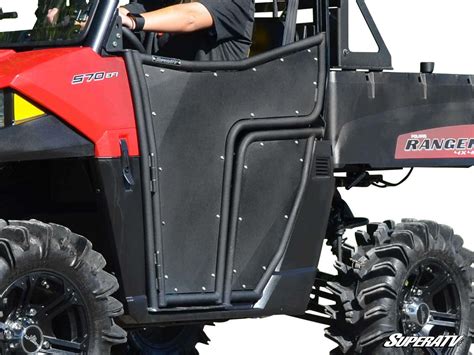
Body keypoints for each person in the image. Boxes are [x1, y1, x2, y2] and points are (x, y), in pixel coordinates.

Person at [119, 0, 255, 61]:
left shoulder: (236, 2)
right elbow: (138, 8)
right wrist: (113, 16)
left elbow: (191, 17)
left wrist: (133, 21)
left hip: (204, 105)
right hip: (155, 94)